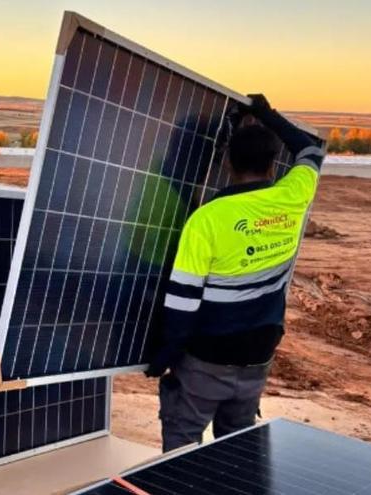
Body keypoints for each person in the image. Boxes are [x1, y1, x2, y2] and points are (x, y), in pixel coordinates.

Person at [145, 94, 325, 452]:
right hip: (259, 352)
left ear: (227, 162)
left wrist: (167, 354)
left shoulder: (208, 218)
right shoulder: (293, 197)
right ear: (273, 165)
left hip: (209, 355)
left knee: (182, 441)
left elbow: (183, 299)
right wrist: (267, 115)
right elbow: (309, 151)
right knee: (237, 446)